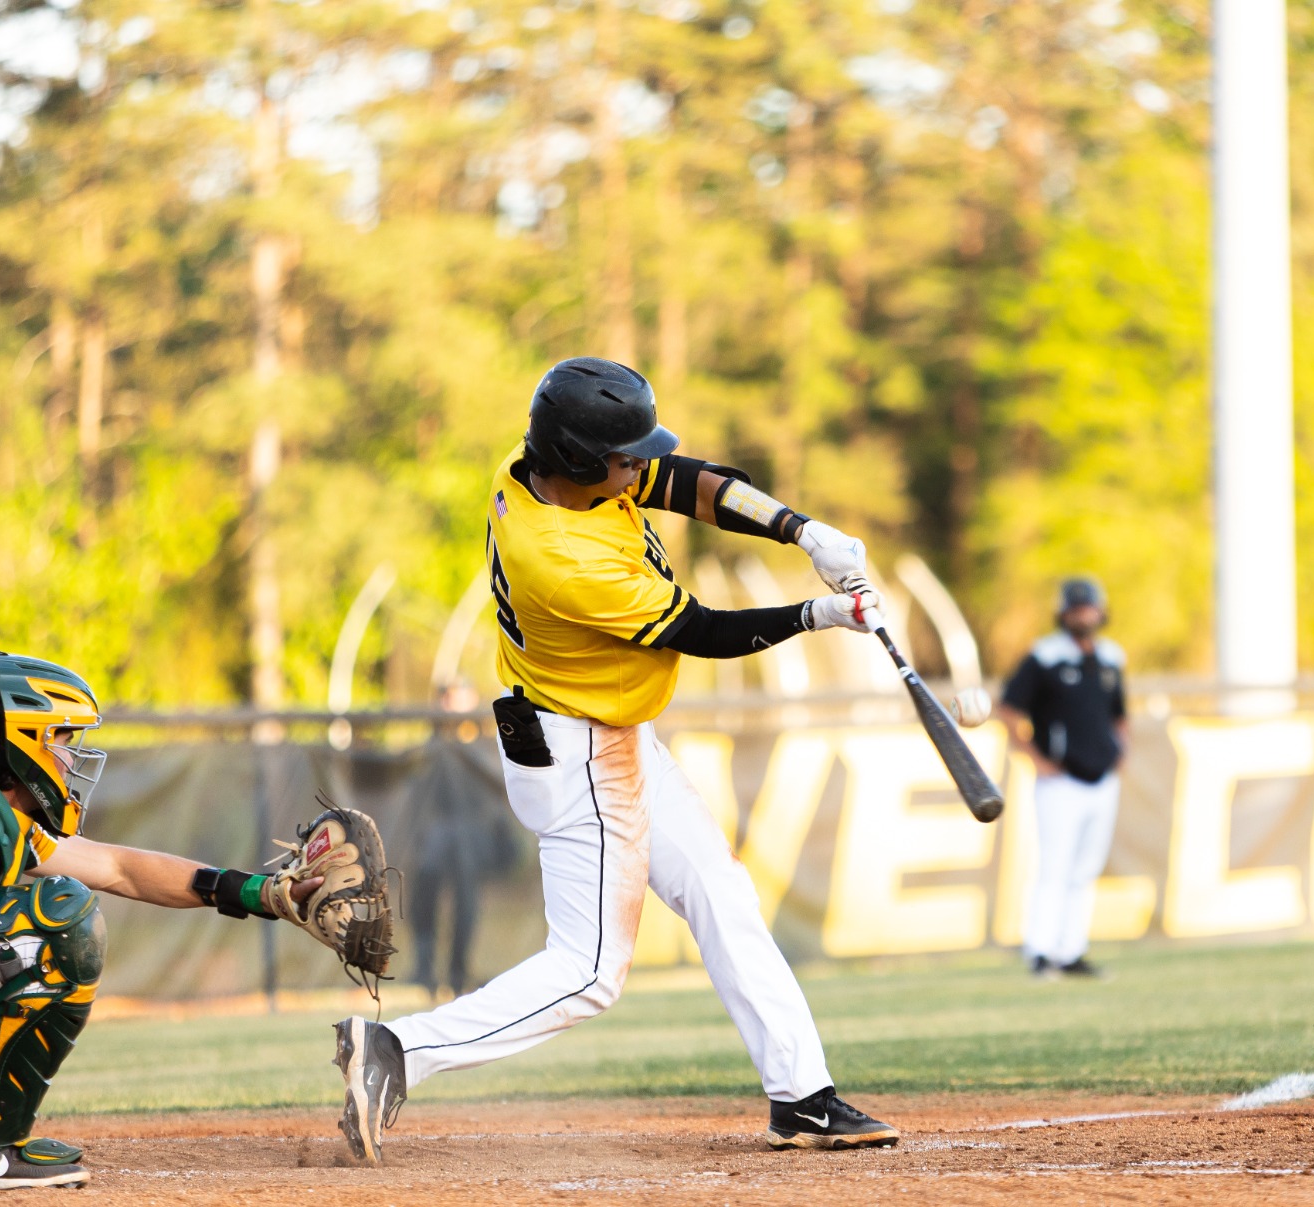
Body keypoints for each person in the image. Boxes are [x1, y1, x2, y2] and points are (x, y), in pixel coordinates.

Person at [331, 357, 898, 1163]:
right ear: (578, 462)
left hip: (617, 736)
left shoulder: (537, 469)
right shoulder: (561, 556)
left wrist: (801, 530)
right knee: (589, 969)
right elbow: (699, 629)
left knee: (718, 890)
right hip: (581, 755)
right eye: (625, 458)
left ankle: (801, 1097)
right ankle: (397, 1050)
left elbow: (688, 480)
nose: (641, 469)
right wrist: (819, 612)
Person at [0, 651, 320, 1191]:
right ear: (19, 742)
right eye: (59, 739)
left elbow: (119, 869)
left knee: (56, 906)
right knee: (58, 920)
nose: (69, 756)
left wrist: (259, 893)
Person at [999, 578, 1128, 979]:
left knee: (1085, 868)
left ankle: (1071, 949)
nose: (1083, 615)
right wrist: (1036, 759)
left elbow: (1120, 714)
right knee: (1054, 865)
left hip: (1101, 778)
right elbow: (1008, 709)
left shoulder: (1110, 657)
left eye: (1087, 608)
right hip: (1061, 780)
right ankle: (1039, 950)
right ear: (1063, 613)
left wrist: (1120, 752)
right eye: (1076, 609)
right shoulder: (1045, 656)